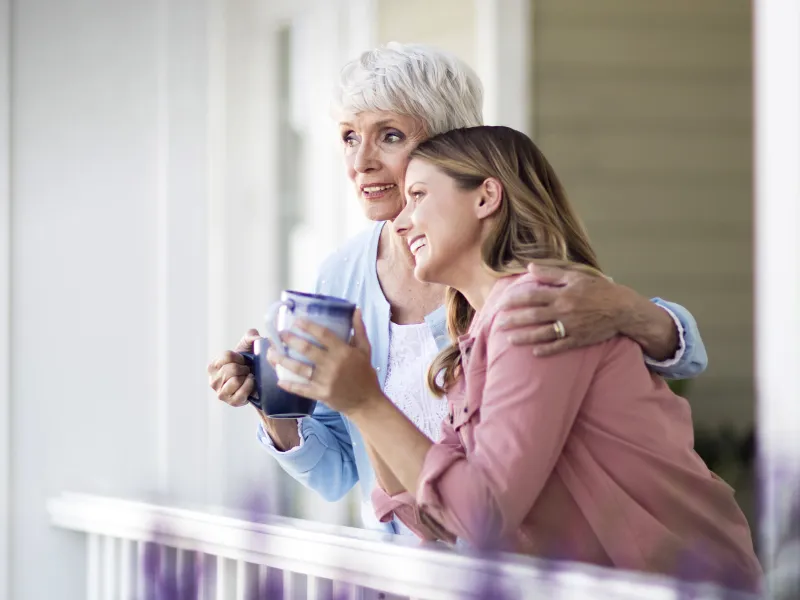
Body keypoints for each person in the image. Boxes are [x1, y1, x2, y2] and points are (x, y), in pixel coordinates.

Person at [207, 43, 708, 534]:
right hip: (419, 553)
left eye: (389, 136)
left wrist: (627, 309)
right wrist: (276, 406)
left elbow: (667, 356)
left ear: (447, 145)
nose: (361, 162)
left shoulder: (510, 281)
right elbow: (342, 469)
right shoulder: (339, 278)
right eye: (347, 137)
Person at [271, 126, 761, 591]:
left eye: (417, 196)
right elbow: (433, 519)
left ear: (486, 197)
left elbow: (481, 516)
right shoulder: (476, 340)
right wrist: (364, 392)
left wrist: (364, 403)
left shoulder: (538, 309)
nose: (399, 223)